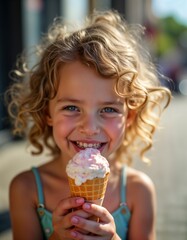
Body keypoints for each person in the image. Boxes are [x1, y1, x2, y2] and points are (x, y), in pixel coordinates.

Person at [6, 10, 171, 240]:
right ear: (47, 112)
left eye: (109, 109)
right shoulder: (26, 189)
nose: (90, 127)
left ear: (130, 117)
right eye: (72, 108)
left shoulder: (137, 191)